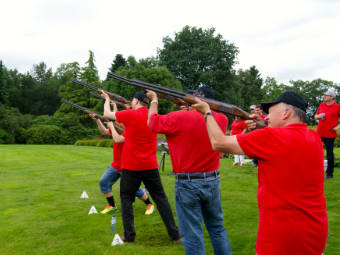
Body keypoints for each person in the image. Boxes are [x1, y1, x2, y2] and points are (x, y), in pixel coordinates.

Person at [192, 91, 328, 255]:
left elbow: (218, 143)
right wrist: (257, 127)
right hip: (314, 230)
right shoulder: (314, 138)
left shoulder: (271, 137)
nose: (267, 117)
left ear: (286, 113)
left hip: (280, 235)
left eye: (270, 113)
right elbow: (271, 148)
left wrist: (207, 112)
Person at [147, 87, 232, 255]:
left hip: (187, 183)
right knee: (217, 228)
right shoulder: (221, 119)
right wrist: (188, 107)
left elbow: (152, 122)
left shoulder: (179, 117)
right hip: (213, 180)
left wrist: (154, 99)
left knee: (192, 235)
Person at [101, 90, 180, 243]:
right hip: (150, 165)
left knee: (126, 199)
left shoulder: (130, 114)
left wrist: (106, 99)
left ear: (136, 101)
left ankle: (129, 236)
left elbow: (107, 115)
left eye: (132, 101)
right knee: (161, 199)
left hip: (131, 166)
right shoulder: (152, 116)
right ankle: (175, 235)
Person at [87, 112, 155, 216]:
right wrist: (97, 120)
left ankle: (149, 204)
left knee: (134, 189)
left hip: (127, 166)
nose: (116, 122)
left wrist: (111, 127)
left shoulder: (129, 131)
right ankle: (112, 205)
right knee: (104, 182)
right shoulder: (117, 129)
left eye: (118, 121)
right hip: (116, 165)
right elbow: (104, 132)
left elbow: (118, 140)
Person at [315, 88, 340, 179]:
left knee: (329, 154)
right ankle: (315, 171)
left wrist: (337, 127)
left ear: (332, 97)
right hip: (319, 132)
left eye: (326, 95)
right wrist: (318, 116)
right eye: (324, 95)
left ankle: (329, 174)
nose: (324, 96)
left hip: (330, 134)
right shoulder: (321, 105)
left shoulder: (337, 107)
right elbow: (315, 116)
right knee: (316, 152)